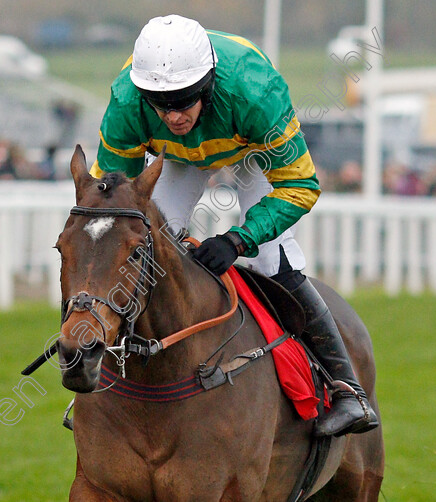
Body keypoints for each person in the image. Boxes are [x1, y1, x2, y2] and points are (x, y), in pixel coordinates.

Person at [92, 15, 378, 437]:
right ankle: (110, 369)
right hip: (177, 159)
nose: (173, 116)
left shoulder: (255, 91)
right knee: (143, 249)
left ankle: (348, 390)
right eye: (160, 102)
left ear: (207, 84)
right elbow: (111, 196)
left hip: (252, 150)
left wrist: (237, 239)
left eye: (185, 99)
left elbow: (300, 184)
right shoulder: (127, 100)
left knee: (270, 259)